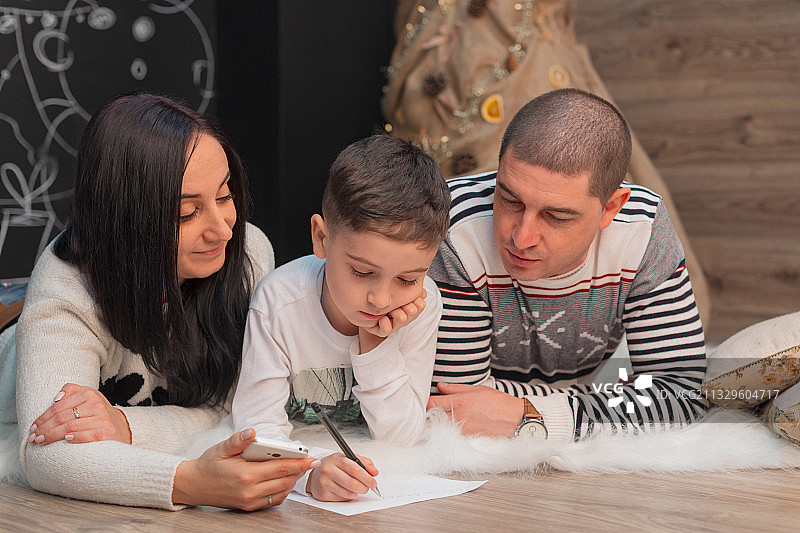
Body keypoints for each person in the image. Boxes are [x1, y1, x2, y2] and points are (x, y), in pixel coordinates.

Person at [16, 93, 315, 510]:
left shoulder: (249, 255)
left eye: (224, 197)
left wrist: (125, 425)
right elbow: (48, 453)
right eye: (186, 213)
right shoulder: (68, 285)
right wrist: (191, 482)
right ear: (125, 217)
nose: (223, 230)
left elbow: (240, 408)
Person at [426, 88, 708, 441]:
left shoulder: (643, 229)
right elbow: (456, 407)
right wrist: (610, 401)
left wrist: (533, 416)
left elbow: (681, 394)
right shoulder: (453, 226)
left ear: (611, 208)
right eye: (510, 199)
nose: (522, 237)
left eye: (557, 217)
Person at [232, 134, 449, 501]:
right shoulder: (278, 302)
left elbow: (403, 438)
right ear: (321, 237)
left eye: (407, 279)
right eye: (362, 272)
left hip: (381, 487)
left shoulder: (422, 305)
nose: (381, 299)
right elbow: (256, 429)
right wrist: (309, 475)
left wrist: (375, 343)